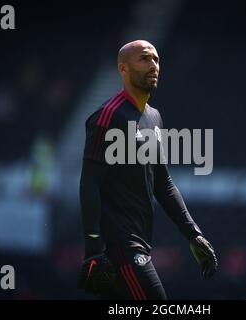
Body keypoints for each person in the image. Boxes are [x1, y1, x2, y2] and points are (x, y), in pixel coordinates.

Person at [77, 40, 218, 300]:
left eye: (156, 59)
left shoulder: (153, 117)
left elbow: (162, 183)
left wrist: (193, 234)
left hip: (140, 243)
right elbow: (89, 183)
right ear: (123, 68)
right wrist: (93, 250)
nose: (153, 65)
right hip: (120, 248)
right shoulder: (109, 116)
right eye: (144, 59)